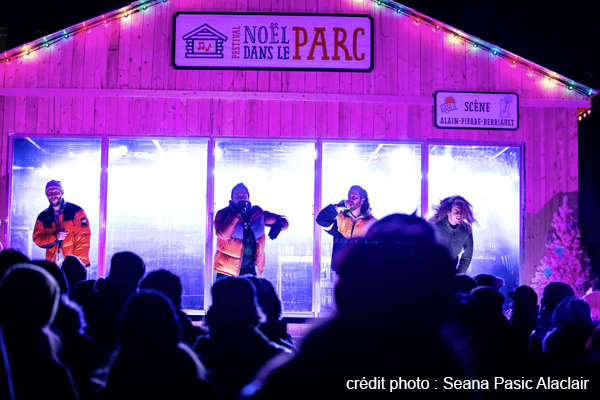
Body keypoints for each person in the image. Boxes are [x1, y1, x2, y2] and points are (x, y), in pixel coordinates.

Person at [213, 183, 288, 279]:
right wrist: (236, 213)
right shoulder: (223, 213)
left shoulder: (257, 213)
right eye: (237, 196)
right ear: (232, 199)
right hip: (226, 271)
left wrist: (280, 223)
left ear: (248, 198)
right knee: (225, 294)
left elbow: (284, 219)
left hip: (250, 269)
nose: (241, 198)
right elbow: (222, 234)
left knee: (251, 294)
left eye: (244, 196)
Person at [316, 185, 377, 272]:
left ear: (362, 200)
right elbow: (321, 220)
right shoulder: (340, 218)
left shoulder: (372, 223)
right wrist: (337, 206)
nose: (350, 198)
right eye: (349, 196)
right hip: (341, 271)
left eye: (354, 196)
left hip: (363, 273)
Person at [33, 180, 91, 267]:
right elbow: (37, 239)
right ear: (46, 195)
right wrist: (55, 237)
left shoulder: (76, 212)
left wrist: (76, 264)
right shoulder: (42, 217)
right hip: (53, 265)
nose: (53, 195)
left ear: (62, 193)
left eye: (56, 192)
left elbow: (82, 241)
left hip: (73, 265)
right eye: (49, 193)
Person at [428, 195, 476, 275]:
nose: (459, 215)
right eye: (456, 212)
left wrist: (459, 275)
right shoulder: (434, 227)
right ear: (448, 212)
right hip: (432, 272)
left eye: (462, 212)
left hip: (452, 273)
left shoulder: (466, 230)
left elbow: (467, 256)